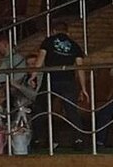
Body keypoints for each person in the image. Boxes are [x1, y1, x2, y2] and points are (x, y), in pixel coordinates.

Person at [31, 20, 88, 149]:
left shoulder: (48, 41)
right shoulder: (74, 45)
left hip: (51, 78)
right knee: (71, 111)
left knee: (40, 108)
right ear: (68, 32)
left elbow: (40, 59)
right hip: (68, 80)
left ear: (54, 31)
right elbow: (80, 67)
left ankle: (38, 139)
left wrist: (33, 75)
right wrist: (83, 88)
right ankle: (79, 140)